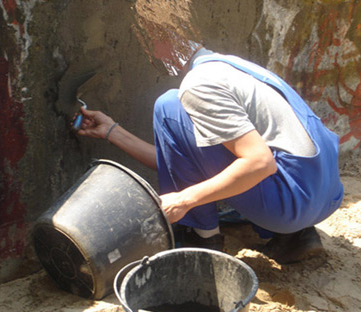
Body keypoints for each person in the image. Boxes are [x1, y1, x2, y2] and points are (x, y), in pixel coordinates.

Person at [75, 44, 344, 264]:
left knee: (168, 105)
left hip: (292, 205)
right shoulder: (235, 67)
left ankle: (201, 237)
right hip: (327, 196)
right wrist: (112, 131)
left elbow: (260, 163)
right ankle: (296, 237)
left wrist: (183, 200)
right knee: (236, 147)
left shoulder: (198, 84)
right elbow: (180, 162)